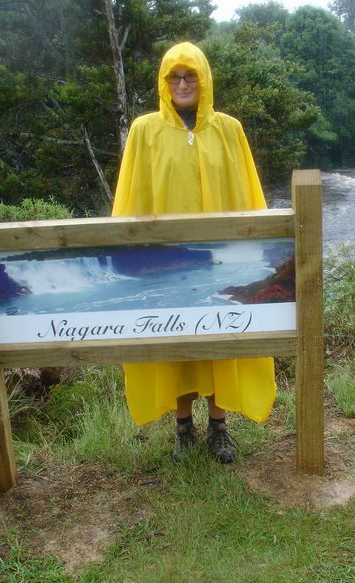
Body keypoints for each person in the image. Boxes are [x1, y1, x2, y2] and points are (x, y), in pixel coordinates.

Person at [112, 42, 276, 464]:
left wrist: (257, 253)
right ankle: (183, 428)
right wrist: (127, 253)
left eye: (190, 77)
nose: (183, 85)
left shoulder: (229, 129)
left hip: (222, 265)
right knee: (176, 343)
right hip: (165, 265)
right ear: (164, 83)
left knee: (221, 340)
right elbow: (129, 199)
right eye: (174, 77)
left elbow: (250, 198)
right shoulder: (144, 131)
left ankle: (219, 428)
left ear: (204, 81)